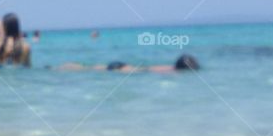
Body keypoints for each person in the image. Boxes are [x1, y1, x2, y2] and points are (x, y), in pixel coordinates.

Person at [57, 54, 200, 74]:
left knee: (89, 67)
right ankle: (66, 66)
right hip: (122, 69)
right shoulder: (172, 72)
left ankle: (67, 65)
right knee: (88, 68)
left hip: (124, 66)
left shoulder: (170, 67)